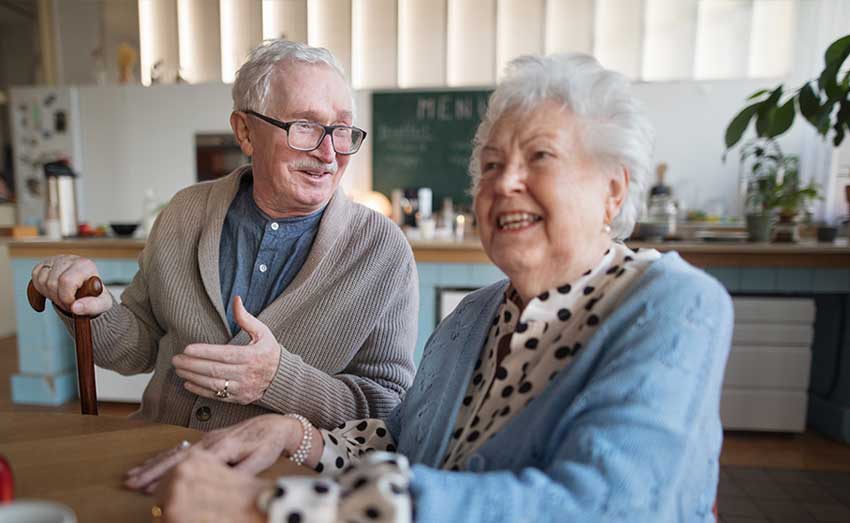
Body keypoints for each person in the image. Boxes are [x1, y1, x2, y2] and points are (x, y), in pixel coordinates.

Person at [130, 53, 735, 522]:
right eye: (492, 165)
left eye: (541, 158)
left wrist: (270, 508)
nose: (506, 183)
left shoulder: (669, 306)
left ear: (613, 189)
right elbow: (402, 439)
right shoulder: (476, 315)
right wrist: (296, 433)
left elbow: (607, 507)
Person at [29, 41, 418, 431]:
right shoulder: (184, 213)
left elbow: (388, 410)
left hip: (285, 477)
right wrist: (96, 310)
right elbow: (138, 349)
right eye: (305, 127)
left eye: (342, 130)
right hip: (159, 450)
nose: (329, 153)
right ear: (245, 131)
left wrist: (277, 380)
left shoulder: (382, 252)